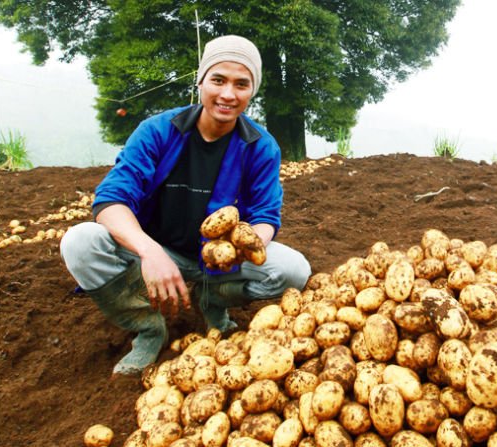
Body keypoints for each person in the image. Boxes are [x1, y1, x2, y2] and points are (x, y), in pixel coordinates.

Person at [60, 35, 311, 375]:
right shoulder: (158, 131)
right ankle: (149, 327)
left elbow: (266, 215)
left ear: (252, 91)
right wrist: (150, 252)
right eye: (218, 80)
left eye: (241, 84)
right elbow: (111, 200)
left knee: (293, 269)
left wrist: (245, 245)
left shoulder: (260, 146)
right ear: (201, 81)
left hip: (218, 260)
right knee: (80, 241)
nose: (227, 94)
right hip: (157, 253)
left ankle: (213, 299)